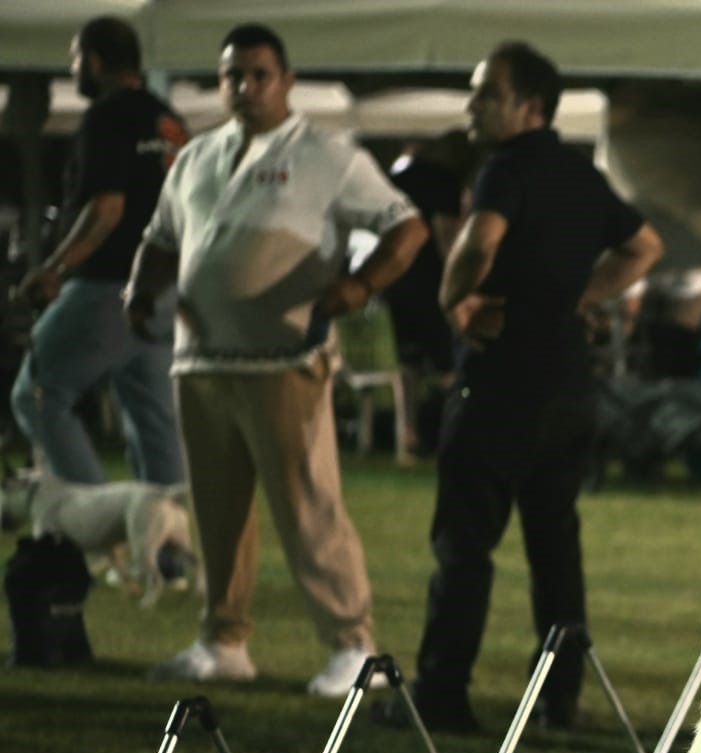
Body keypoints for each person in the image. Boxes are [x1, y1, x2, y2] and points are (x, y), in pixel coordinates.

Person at [124, 23, 427, 695]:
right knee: (216, 510)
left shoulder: (328, 154)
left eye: (260, 73)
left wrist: (358, 286)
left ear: (287, 80)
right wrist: (140, 288)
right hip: (200, 358)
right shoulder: (198, 156)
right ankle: (222, 638)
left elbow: (406, 226)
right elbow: (161, 236)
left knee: (308, 507)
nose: (246, 86)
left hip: (285, 357)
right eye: (233, 74)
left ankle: (354, 646)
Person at [373, 42, 663, 735]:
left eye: (485, 94)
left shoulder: (504, 168)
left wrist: (454, 300)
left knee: (465, 545)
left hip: (500, 383)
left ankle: (442, 696)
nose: (472, 106)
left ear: (528, 105)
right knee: (555, 549)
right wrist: (580, 300)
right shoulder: (580, 174)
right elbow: (646, 246)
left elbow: (479, 243)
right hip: (568, 388)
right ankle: (557, 700)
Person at [9, 16, 188, 487]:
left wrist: (53, 268)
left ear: (95, 61)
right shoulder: (169, 122)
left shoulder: (107, 117)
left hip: (108, 285)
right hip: (166, 289)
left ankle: (97, 520)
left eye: (74, 59)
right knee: (155, 422)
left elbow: (107, 207)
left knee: (38, 395)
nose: (72, 70)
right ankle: (168, 549)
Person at [382, 135, 467, 456]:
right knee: (446, 361)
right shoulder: (445, 181)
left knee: (408, 364)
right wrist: (458, 281)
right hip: (431, 283)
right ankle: (452, 433)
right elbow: (447, 235)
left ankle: (407, 434)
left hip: (396, 277)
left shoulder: (397, 179)